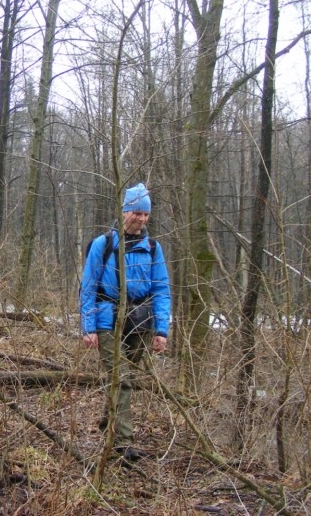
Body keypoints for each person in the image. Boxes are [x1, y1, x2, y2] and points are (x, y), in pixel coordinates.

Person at [79, 182, 170, 462]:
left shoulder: (153, 248)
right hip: (108, 320)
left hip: (141, 322)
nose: (141, 219)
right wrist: (88, 327)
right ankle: (124, 443)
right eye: (136, 213)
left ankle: (108, 423)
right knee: (122, 380)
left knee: (121, 380)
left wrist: (162, 329)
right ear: (125, 212)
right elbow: (88, 287)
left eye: (146, 214)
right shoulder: (103, 245)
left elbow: (161, 289)